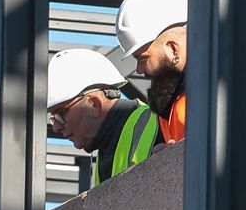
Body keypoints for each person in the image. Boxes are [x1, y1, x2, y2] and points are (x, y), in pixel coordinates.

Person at [114, 0, 246, 144]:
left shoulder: (236, 77)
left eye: (143, 59)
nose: (139, 70)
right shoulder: (173, 97)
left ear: (173, 49)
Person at [47, 48, 161, 186]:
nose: (56, 127)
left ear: (94, 104)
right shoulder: (106, 149)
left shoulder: (156, 121)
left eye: (61, 112)